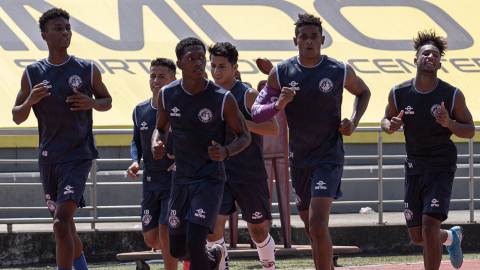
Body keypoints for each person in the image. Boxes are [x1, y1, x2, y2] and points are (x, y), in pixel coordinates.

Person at [251, 13, 371, 269]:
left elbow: (363, 92)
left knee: (318, 224)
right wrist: (278, 104)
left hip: (328, 156)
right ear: (295, 40)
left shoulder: (339, 70)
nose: (309, 41)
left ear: (323, 40)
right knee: (311, 229)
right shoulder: (281, 72)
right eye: (303, 37)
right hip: (299, 158)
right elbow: (257, 113)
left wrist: (353, 120)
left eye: (314, 36)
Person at [11, 8, 112, 270]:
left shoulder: (88, 69)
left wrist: (92, 102)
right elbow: (17, 116)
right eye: (58, 28)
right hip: (49, 158)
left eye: (67, 28)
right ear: (44, 35)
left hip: (78, 155)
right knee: (65, 228)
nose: (65, 32)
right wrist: (30, 100)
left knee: (60, 222)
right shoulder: (32, 73)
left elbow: (107, 101)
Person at [151, 37, 251, 270]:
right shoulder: (167, 94)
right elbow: (161, 128)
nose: (198, 63)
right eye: (191, 59)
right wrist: (158, 143)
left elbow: (245, 135)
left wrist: (226, 151)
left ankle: (206, 255)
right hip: (181, 178)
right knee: (177, 249)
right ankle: (213, 256)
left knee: (195, 242)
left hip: (209, 179)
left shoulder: (222, 98)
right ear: (180, 64)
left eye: (201, 58)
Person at [381, 30, 474, 270]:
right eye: (425, 53)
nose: (430, 56)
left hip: (440, 167)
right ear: (416, 59)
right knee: (418, 237)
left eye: (435, 54)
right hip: (414, 168)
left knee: (429, 227)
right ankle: (451, 237)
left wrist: (449, 123)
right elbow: (385, 120)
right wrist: (390, 125)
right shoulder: (399, 92)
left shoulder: (451, 94)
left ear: (440, 63)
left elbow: (470, 130)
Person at [207, 42, 279, 270]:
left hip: (249, 173)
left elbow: (273, 128)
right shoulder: (208, 94)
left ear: (235, 67)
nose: (217, 71)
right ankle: (222, 266)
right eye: (213, 66)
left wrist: (239, 123)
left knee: (257, 231)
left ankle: (268, 264)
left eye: (222, 66)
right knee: (213, 231)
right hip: (218, 173)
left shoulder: (249, 95)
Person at [127, 58, 178, 270]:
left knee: (166, 230)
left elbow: (195, 139)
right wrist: (134, 161)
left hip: (174, 181)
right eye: (153, 76)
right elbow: (136, 141)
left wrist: (181, 161)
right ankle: (194, 251)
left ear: (174, 79)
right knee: (151, 240)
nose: (156, 80)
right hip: (150, 181)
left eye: (162, 76)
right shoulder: (140, 110)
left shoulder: (179, 109)